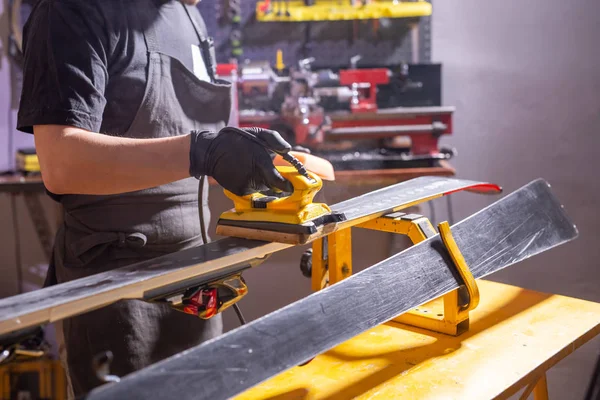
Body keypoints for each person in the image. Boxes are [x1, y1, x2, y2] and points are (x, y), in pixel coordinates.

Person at [16, 0, 292, 397]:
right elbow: (62, 164)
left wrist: (249, 158)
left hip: (196, 275)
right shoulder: (71, 9)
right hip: (118, 288)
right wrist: (202, 152)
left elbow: (184, 143)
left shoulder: (187, 13)